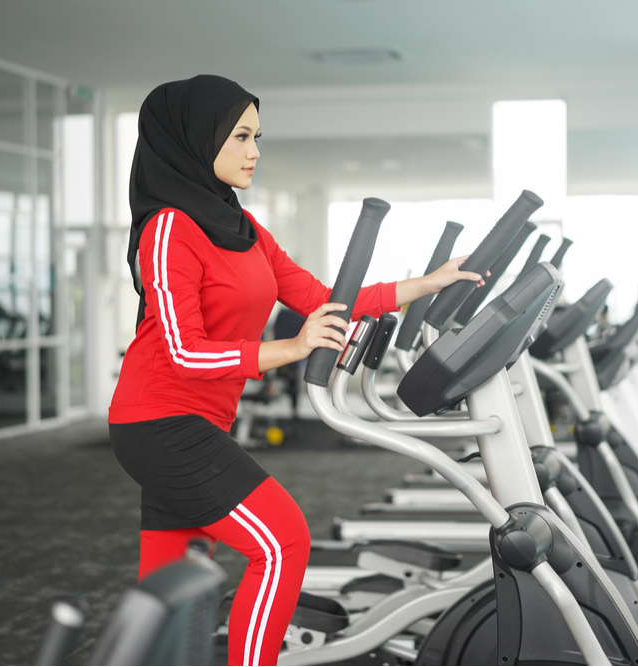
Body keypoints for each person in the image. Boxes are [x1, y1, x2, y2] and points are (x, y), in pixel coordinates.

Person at [107, 75, 483, 667]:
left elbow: (324, 296)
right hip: (159, 419)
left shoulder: (246, 230)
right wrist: (290, 349)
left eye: (258, 136)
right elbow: (184, 350)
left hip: (202, 420)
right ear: (194, 140)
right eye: (240, 136)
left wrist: (424, 284)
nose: (255, 150)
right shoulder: (168, 229)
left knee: (175, 585)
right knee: (282, 542)